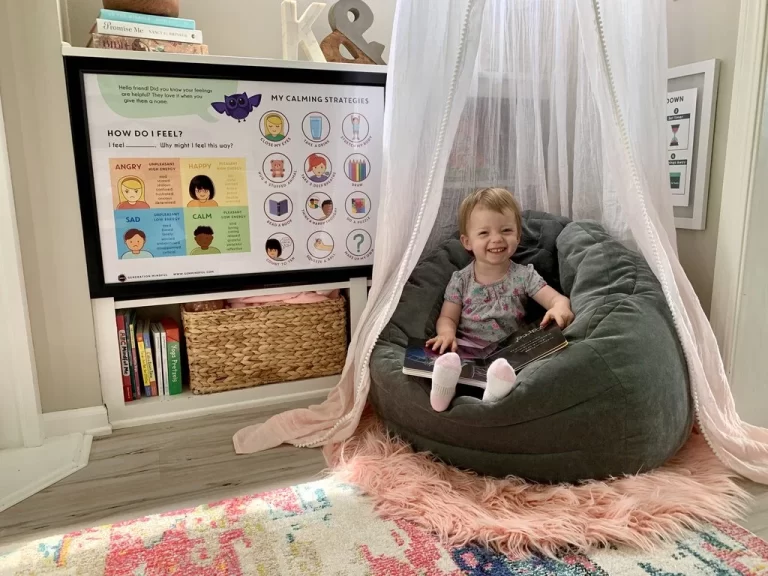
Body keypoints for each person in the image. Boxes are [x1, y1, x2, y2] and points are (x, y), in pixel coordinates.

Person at [425, 187, 574, 412]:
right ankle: (444, 391)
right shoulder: (460, 280)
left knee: (513, 374)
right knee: (450, 364)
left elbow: (557, 300)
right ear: (467, 242)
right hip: (469, 354)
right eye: (484, 233)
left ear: (518, 235)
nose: (496, 239)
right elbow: (448, 316)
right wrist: (446, 333)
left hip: (510, 355)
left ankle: (494, 396)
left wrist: (559, 308)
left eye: (505, 230)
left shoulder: (524, 276)